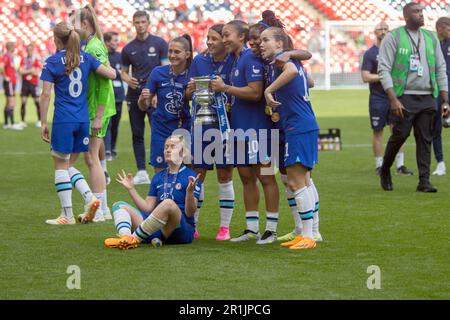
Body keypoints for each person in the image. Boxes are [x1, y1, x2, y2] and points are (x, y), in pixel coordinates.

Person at [247, 11, 322, 244]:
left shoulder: (283, 60)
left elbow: (291, 71)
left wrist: (269, 91)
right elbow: (309, 81)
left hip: (298, 126)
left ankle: (308, 235)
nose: (261, 43)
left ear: (280, 43)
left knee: (296, 181)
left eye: (266, 39)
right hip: (299, 124)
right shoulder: (285, 60)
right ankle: (310, 231)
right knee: (303, 181)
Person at [39, 22, 116, 225]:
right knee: (69, 164)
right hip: (83, 120)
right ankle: (90, 198)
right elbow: (112, 75)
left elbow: (45, 94)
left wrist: (43, 122)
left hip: (64, 119)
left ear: (57, 39)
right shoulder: (87, 58)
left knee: (60, 165)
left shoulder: (52, 62)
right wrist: (105, 59)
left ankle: (67, 215)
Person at [211, 20, 280, 244]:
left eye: (227, 35)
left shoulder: (251, 58)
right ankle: (252, 228)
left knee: (266, 177)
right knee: (246, 177)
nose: (223, 39)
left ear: (241, 37)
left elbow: (255, 92)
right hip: (239, 128)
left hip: (258, 127)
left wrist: (225, 88)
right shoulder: (235, 58)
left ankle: (271, 229)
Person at [377, 2, 448, 192]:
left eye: (422, 11)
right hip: (403, 95)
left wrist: (445, 98)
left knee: (425, 138)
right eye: (416, 12)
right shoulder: (394, 37)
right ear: (406, 16)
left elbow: (441, 69)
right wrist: (393, 99)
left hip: (427, 96)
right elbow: (383, 69)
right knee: (400, 135)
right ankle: (385, 169)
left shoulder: (430, 37)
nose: (421, 15)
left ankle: (423, 181)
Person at [104, 135, 201, 249]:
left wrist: (189, 193)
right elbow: (147, 208)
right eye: (166, 147)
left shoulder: (191, 176)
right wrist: (131, 189)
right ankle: (124, 237)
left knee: (168, 203)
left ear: (183, 153)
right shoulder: (158, 177)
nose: (168, 150)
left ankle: (133, 239)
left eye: (172, 147)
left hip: (180, 230)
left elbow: (190, 213)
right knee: (119, 206)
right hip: (157, 227)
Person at [185, 24, 236, 241]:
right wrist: (189, 91)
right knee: (197, 176)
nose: (210, 42)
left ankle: (224, 227)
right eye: (208, 38)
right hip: (202, 126)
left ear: (224, 41)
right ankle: (193, 224)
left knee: (225, 176)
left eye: (214, 38)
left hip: (225, 127)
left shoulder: (235, 60)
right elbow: (189, 93)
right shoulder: (198, 61)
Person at [69, 4, 117, 222]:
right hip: (94, 108)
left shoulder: (94, 47)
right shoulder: (89, 45)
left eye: (74, 23)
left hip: (99, 109)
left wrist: (98, 115)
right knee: (92, 156)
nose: (71, 27)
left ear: (85, 24)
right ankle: (103, 208)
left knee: (91, 158)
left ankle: (99, 209)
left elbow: (106, 84)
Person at [121, 10, 169, 185]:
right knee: (137, 133)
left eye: (143, 22)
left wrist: (157, 92)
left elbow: (166, 69)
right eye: (137, 22)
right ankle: (142, 171)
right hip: (135, 94)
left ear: (148, 23)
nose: (140, 25)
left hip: (155, 95)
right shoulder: (128, 48)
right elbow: (124, 72)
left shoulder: (160, 43)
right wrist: (128, 79)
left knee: (158, 132)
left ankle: (162, 167)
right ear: (133, 24)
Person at [361, 22, 413, 176]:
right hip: (378, 98)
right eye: (380, 29)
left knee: (398, 131)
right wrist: (384, 76)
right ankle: (379, 165)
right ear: (374, 32)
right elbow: (365, 76)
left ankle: (400, 165)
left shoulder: (396, 51)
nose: (383, 32)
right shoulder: (370, 53)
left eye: (385, 29)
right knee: (378, 131)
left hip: (396, 97)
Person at [137, 35, 192, 174]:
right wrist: (143, 99)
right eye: (170, 51)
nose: (172, 55)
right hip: (161, 129)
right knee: (161, 174)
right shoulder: (158, 72)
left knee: (186, 173)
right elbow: (143, 106)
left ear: (187, 54)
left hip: (184, 128)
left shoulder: (193, 74)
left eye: (177, 52)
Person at [431, 17, 450, 176]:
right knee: (436, 127)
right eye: (448, 29)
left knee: (445, 123)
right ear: (439, 29)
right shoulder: (432, 44)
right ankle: (440, 164)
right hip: (439, 93)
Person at [104, 31, 125, 161]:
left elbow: (123, 73)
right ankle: (106, 150)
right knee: (108, 124)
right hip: (107, 95)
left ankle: (112, 148)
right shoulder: (103, 55)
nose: (116, 43)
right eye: (114, 40)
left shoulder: (120, 56)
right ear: (107, 42)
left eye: (117, 40)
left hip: (119, 94)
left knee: (116, 124)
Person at [19, 44, 42, 128]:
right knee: (23, 102)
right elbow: (21, 71)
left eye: (31, 49)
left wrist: (27, 71)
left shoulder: (36, 59)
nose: (29, 51)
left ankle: (39, 120)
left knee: (37, 102)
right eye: (28, 49)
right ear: (26, 50)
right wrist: (30, 70)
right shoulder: (23, 59)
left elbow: (37, 72)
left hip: (34, 83)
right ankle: (22, 121)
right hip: (25, 83)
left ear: (33, 50)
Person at [1, 41, 22, 130]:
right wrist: (5, 77)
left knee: (8, 103)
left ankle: (6, 124)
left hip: (11, 82)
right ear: (10, 47)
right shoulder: (6, 56)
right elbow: (1, 66)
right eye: (14, 46)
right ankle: (12, 123)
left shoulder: (11, 56)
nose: (15, 48)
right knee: (12, 102)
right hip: (9, 82)